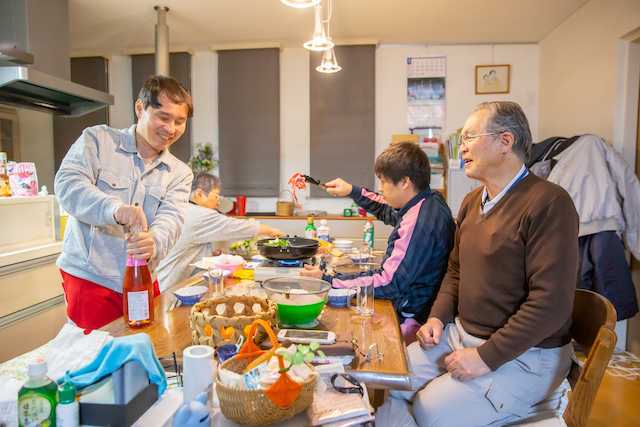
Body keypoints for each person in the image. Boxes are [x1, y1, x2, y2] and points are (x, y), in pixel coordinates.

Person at [390, 101, 579, 427]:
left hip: (524, 355)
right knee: (389, 378)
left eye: (468, 138)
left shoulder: (549, 202)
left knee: (427, 411)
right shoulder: (471, 202)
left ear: (505, 141)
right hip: (461, 335)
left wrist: (485, 358)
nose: (461, 148)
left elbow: (551, 304)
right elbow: (456, 271)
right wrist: (438, 317)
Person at [55, 75, 194, 331]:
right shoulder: (98, 140)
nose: (171, 129)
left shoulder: (180, 172)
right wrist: (113, 208)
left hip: (143, 277)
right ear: (140, 108)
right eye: (163, 117)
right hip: (92, 277)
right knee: (96, 356)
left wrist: (155, 242)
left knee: (145, 347)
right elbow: (68, 185)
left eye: (179, 121)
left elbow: (172, 218)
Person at [300, 141, 455, 343]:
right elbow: (385, 208)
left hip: (413, 321)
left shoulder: (418, 223)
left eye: (383, 182)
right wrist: (351, 190)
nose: (380, 188)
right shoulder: (429, 199)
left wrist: (328, 281)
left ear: (405, 182)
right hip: (419, 310)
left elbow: (388, 283)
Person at [157, 173, 284, 291]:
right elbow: (236, 227)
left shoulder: (186, 210)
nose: (218, 202)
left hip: (173, 284)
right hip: (172, 289)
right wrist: (270, 230)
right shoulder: (198, 214)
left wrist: (210, 254)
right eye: (216, 196)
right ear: (199, 194)